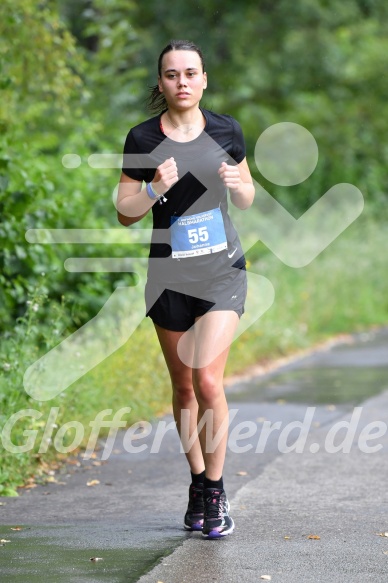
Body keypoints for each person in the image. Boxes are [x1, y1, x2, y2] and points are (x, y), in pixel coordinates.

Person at [117, 40, 254, 539]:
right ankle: (197, 479)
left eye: (190, 73)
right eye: (172, 75)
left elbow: (247, 194)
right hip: (168, 278)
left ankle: (215, 492)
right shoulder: (141, 139)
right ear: (161, 83)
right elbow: (125, 211)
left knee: (208, 381)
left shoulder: (227, 130)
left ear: (203, 80)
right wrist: (153, 188)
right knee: (182, 387)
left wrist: (236, 185)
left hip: (222, 274)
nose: (182, 82)